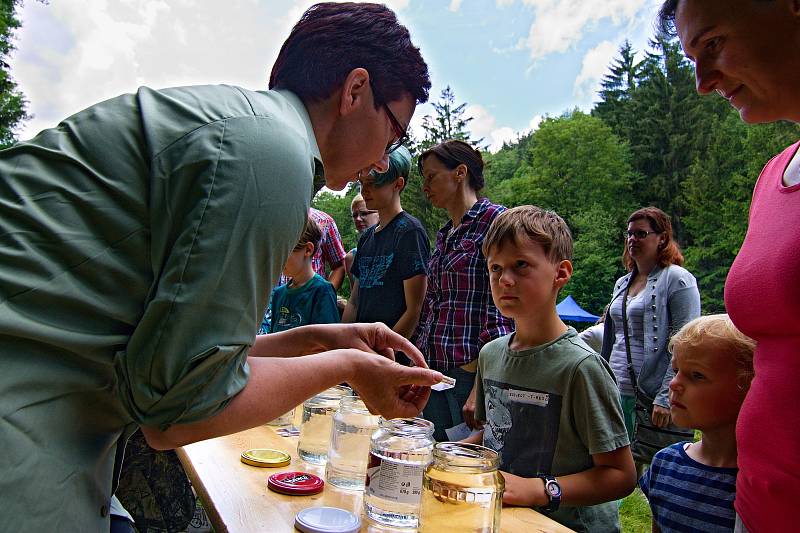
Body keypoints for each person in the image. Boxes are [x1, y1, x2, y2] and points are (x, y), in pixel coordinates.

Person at [0, 3, 441, 530]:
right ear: (354, 91)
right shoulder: (273, 154)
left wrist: (318, 340)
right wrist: (345, 368)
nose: (379, 161)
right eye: (392, 134)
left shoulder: (244, 126)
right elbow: (179, 410)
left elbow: (175, 357)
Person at [659, 2, 800, 530]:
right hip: (758, 505)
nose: (702, 81)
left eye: (713, 44)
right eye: (692, 56)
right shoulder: (774, 177)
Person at [466, 206, 636, 532]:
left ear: (560, 273)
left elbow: (620, 475)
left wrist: (539, 489)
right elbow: (499, 434)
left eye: (521, 266)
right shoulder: (491, 354)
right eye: (495, 268)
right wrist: (453, 454)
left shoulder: (581, 368)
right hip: (508, 519)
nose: (505, 279)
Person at [414, 139, 513, 441]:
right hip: (437, 373)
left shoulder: (496, 221)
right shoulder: (445, 234)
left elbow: (502, 309)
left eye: (431, 177)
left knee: (466, 466)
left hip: (469, 374)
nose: (425, 187)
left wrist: (481, 381)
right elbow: (432, 307)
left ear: (460, 172)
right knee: (436, 460)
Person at [640, 314, 755, 533]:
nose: (674, 384)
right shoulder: (665, 464)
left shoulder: (759, 484)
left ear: (748, 386)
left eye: (696, 375)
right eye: (676, 371)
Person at [600, 207, 701, 451]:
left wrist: (666, 397)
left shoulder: (678, 279)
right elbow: (612, 337)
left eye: (641, 234)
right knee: (613, 464)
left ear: (662, 238)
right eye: (629, 234)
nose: (633, 239)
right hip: (615, 388)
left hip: (650, 394)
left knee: (658, 463)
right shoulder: (622, 283)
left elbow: (684, 342)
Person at [342, 146, 429, 359]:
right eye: (362, 184)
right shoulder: (367, 238)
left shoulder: (410, 232)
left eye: (373, 184)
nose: (365, 191)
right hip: (362, 352)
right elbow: (355, 301)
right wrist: (343, 344)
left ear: (398, 184)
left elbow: (414, 308)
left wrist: (383, 354)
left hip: (392, 358)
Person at [264, 216, 339, 333]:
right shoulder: (278, 294)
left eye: (284, 252)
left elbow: (328, 341)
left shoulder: (322, 291)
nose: (277, 259)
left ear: (308, 250)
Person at [344, 193, 379, 287]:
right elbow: (355, 298)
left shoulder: (395, 246)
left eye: (364, 213)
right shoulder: (351, 258)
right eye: (355, 215)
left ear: (379, 213)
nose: (358, 219)